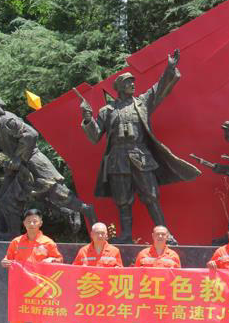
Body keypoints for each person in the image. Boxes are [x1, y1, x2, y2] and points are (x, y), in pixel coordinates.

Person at [80, 50, 200, 243]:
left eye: (133, 82)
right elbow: (95, 136)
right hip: (118, 159)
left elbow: (159, 88)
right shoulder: (107, 111)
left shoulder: (142, 103)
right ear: (120, 87)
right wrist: (87, 119)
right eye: (129, 82)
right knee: (122, 200)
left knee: (151, 196)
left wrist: (169, 68)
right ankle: (126, 236)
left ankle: (165, 234)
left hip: (140, 155)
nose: (133, 85)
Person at [0, 95, 96, 240]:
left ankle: (86, 211)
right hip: (18, 169)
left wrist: (17, 157)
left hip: (34, 164)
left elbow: (31, 134)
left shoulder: (8, 121)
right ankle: (6, 234)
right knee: (4, 199)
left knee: (59, 195)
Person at [0, 209, 63, 323]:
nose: (32, 224)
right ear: (24, 223)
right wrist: (5, 262)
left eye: (35, 221)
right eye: (29, 221)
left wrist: (52, 260)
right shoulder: (16, 242)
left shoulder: (48, 243)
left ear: (40, 223)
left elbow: (60, 260)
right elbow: (8, 259)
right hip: (19, 290)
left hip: (39, 290)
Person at [72, 222, 123, 323]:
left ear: (107, 235)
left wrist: (117, 270)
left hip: (106, 298)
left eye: (103, 233)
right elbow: (72, 270)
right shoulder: (83, 251)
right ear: (91, 234)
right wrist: (80, 270)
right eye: (97, 233)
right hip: (86, 296)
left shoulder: (114, 251)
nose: (100, 235)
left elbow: (121, 271)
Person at [133, 225, 180, 323]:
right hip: (146, 299)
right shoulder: (143, 254)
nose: (160, 237)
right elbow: (135, 276)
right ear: (152, 236)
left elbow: (179, 278)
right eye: (157, 234)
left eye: (163, 234)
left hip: (164, 301)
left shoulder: (173, 256)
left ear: (167, 237)